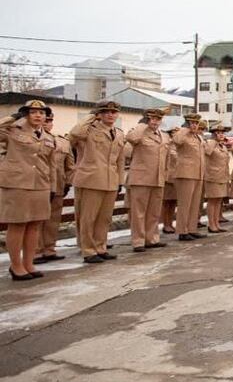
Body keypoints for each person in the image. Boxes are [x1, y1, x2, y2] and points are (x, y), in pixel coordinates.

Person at [0, 100, 56, 280]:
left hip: (40, 184)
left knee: (34, 225)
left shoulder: (47, 136)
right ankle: (16, 266)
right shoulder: (12, 131)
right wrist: (13, 118)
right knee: (18, 225)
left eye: (41, 113)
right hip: (18, 183)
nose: (38, 115)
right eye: (33, 112)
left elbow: (51, 164)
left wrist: (52, 186)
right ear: (25, 114)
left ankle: (28, 263)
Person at [69, 99, 126, 263]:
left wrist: (120, 180)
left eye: (113, 112)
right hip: (90, 179)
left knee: (104, 217)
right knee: (88, 217)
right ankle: (87, 250)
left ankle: (100, 247)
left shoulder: (119, 133)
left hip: (110, 180)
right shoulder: (88, 130)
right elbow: (74, 134)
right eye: (106, 112)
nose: (110, 115)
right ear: (98, 114)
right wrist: (90, 117)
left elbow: (120, 160)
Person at [125, 108, 170, 252]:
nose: (155, 122)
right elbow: (131, 138)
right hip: (141, 178)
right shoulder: (138, 132)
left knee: (154, 212)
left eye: (158, 119)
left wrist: (165, 174)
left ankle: (151, 238)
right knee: (138, 212)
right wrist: (143, 124)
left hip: (158, 178)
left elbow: (166, 157)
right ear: (146, 119)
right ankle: (138, 241)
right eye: (152, 119)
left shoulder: (164, 136)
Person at [37, 109, 73, 263]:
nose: (47, 124)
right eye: (45, 121)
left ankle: (49, 249)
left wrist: (68, 183)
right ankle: (36, 252)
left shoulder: (62, 141)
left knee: (53, 220)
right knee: (37, 220)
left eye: (50, 121)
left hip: (58, 186)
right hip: (39, 186)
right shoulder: (34, 139)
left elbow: (70, 166)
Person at [172, 114, 207, 241]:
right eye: (191, 123)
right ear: (186, 123)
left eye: (196, 123)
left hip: (197, 173)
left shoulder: (198, 137)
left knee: (194, 204)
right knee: (185, 204)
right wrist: (185, 129)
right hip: (185, 173)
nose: (194, 125)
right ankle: (182, 230)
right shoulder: (182, 134)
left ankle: (192, 228)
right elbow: (176, 141)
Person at [203, 122, 232, 233]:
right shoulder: (211, 143)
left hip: (222, 176)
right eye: (218, 133)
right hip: (213, 176)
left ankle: (216, 223)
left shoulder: (222, 146)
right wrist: (212, 141)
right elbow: (207, 152)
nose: (221, 135)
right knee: (212, 201)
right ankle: (211, 224)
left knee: (218, 201)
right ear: (213, 134)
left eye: (222, 133)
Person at [161, 125, 179, 234]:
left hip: (177, 177)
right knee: (166, 202)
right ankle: (165, 224)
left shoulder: (179, 146)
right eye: (174, 132)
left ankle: (171, 223)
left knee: (173, 202)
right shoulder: (167, 145)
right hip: (168, 177)